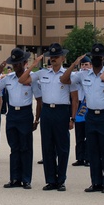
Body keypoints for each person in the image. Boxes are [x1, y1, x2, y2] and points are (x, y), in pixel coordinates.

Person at [64, 43, 104, 193]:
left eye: (98, 57)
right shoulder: (83, 75)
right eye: (94, 56)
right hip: (91, 116)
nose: (96, 59)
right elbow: (64, 79)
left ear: (103, 58)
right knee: (93, 150)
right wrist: (74, 64)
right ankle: (95, 182)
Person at [0, 48, 40, 189]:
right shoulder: (8, 79)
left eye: (18, 63)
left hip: (25, 114)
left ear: (24, 63)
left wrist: (36, 119)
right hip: (12, 115)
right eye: (14, 63)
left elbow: (39, 99)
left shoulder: (31, 78)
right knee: (14, 147)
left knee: (26, 148)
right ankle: (14, 179)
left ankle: (26, 179)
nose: (16, 66)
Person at [32, 43, 75, 191]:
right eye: (51, 57)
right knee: (47, 147)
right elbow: (23, 80)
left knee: (62, 148)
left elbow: (75, 98)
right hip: (47, 111)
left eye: (56, 56)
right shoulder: (42, 73)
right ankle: (50, 179)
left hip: (62, 111)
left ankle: (61, 179)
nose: (53, 59)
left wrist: (72, 118)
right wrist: (34, 64)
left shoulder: (69, 74)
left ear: (63, 58)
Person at [72, 56, 91, 168]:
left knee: (88, 135)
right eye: (83, 65)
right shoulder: (77, 75)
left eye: (86, 65)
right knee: (79, 134)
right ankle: (80, 157)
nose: (84, 67)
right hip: (79, 105)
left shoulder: (92, 76)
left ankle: (88, 157)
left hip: (88, 106)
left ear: (91, 65)